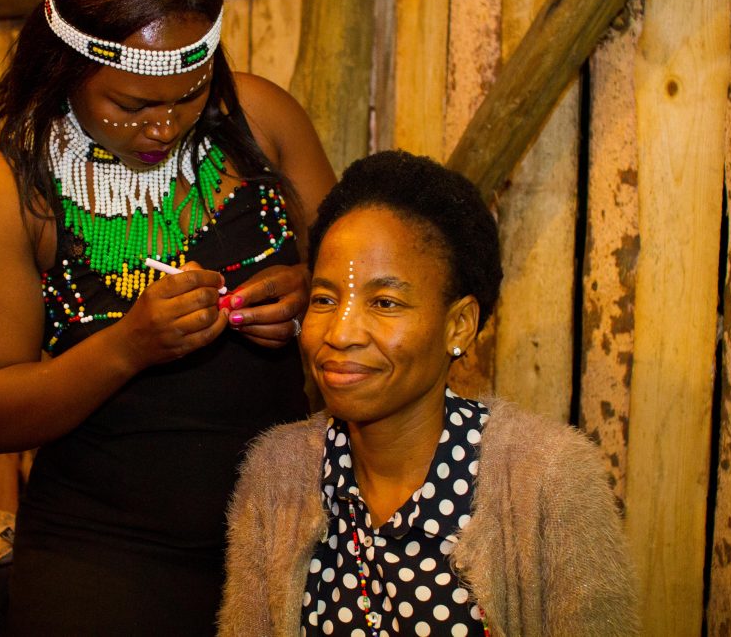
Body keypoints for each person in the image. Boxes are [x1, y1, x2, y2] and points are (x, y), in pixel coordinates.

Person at [0, 0, 336, 633]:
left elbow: (354, 285)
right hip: (104, 562)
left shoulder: (262, 120)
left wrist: (310, 296)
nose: (165, 125)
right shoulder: (12, 196)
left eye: (191, 93)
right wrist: (127, 347)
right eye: (132, 105)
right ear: (66, 67)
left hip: (288, 539)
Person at [218, 150, 639, 636]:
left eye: (385, 302)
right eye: (325, 299)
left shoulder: (548, 481)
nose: (341, 332)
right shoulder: (277, 475)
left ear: (458, 325)